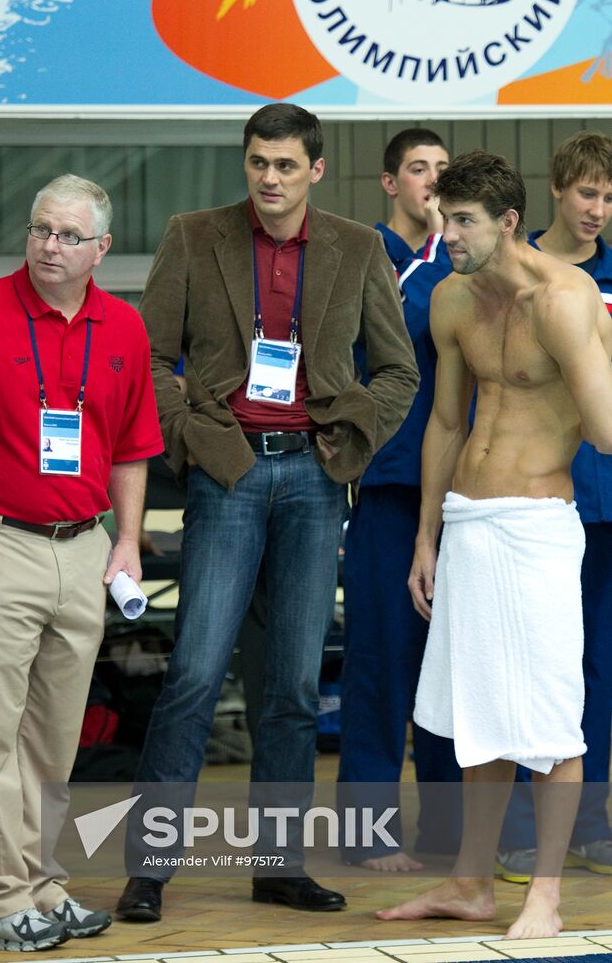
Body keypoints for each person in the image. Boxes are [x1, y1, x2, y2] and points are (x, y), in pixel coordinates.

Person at [116, 102, 419, 923]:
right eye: (259, 163)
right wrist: (193, 435)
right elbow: (147, 356)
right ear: (245, 162)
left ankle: (277, 866)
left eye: (286, 166)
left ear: (315, 170)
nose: (271, 179)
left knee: (289, 684)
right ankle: (150, 868)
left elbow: (398, 371)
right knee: (193, 675)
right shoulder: (193, 233)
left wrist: (350, 441)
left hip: (317, 482)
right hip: (228, 474)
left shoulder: (356, 248)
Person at [0, 174, 164, 952]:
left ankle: (40, 885)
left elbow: (134, 449)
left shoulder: (123, 329)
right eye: (41, 230)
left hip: (81, 549)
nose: (51, 246)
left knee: (53, 736)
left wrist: (125, 539)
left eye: (69, 236)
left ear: (101, 250)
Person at [376, 151, 612, 938]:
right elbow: (446, 421)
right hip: (469, 524)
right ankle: (472, 882)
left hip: (538, 527)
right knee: (478, 714)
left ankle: (544, 892)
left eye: (463, 221)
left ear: (507, 222)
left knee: (549, 719)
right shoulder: (450, 300)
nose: (447, 234)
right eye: (444, 218)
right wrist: (426, 536)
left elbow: (607, 433)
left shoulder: (566, 301)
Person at [338, 128, 461, 872]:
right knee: (381, 661)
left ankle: (448, 832)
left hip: (464, 496)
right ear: (390, 183)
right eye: (419, 170)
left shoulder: (465, 261)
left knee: (452, 666)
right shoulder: (366, 259)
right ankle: (366, 832)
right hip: (389, 486)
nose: (432, 181)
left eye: (443, 171)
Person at [496, 131, 612, 882]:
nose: (598, 209)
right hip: (532, 499)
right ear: (559, 189)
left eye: (608, 197)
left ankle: (589, 823)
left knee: (599, 668)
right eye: (587, 193)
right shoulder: (519, 271)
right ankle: (510, 830)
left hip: (604, 502)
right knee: (524, 666)